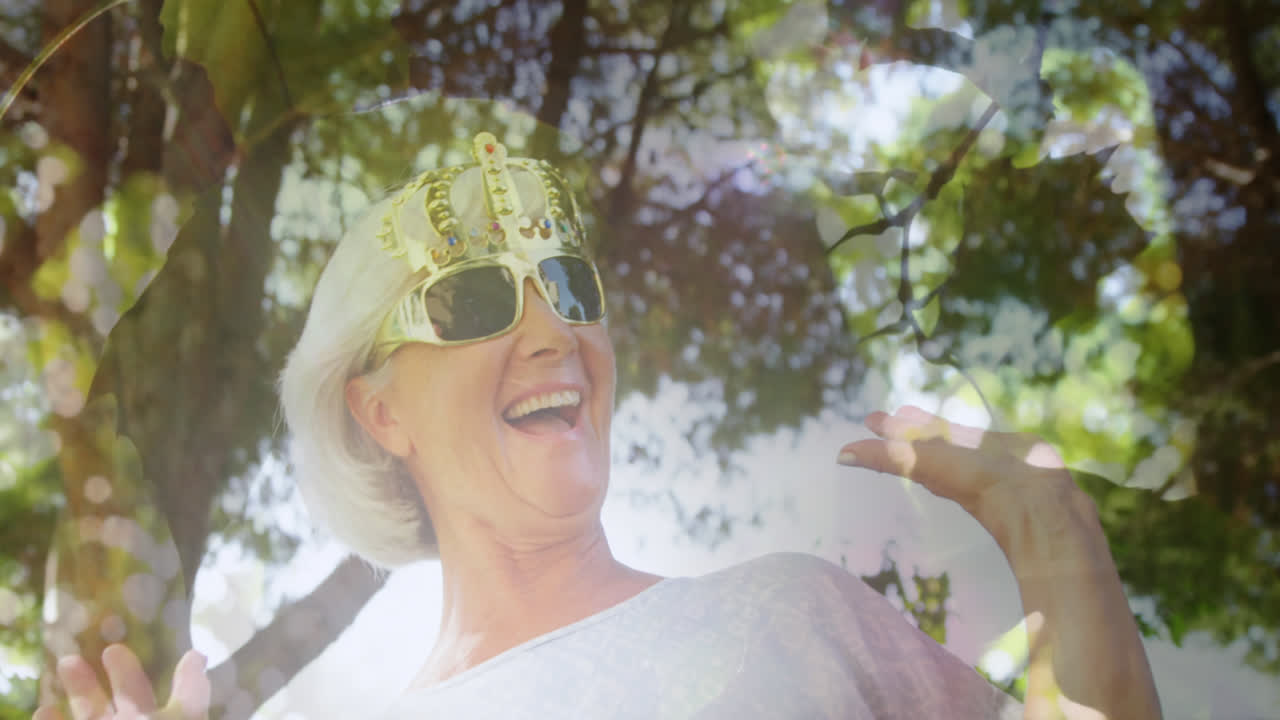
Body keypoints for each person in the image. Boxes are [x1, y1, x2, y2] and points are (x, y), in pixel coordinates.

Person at [34, 132, 1162, 720]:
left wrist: (1054, 531)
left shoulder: (796, 615)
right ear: (378, 409)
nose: (555, 335)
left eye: (570, 287)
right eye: (477, 299)